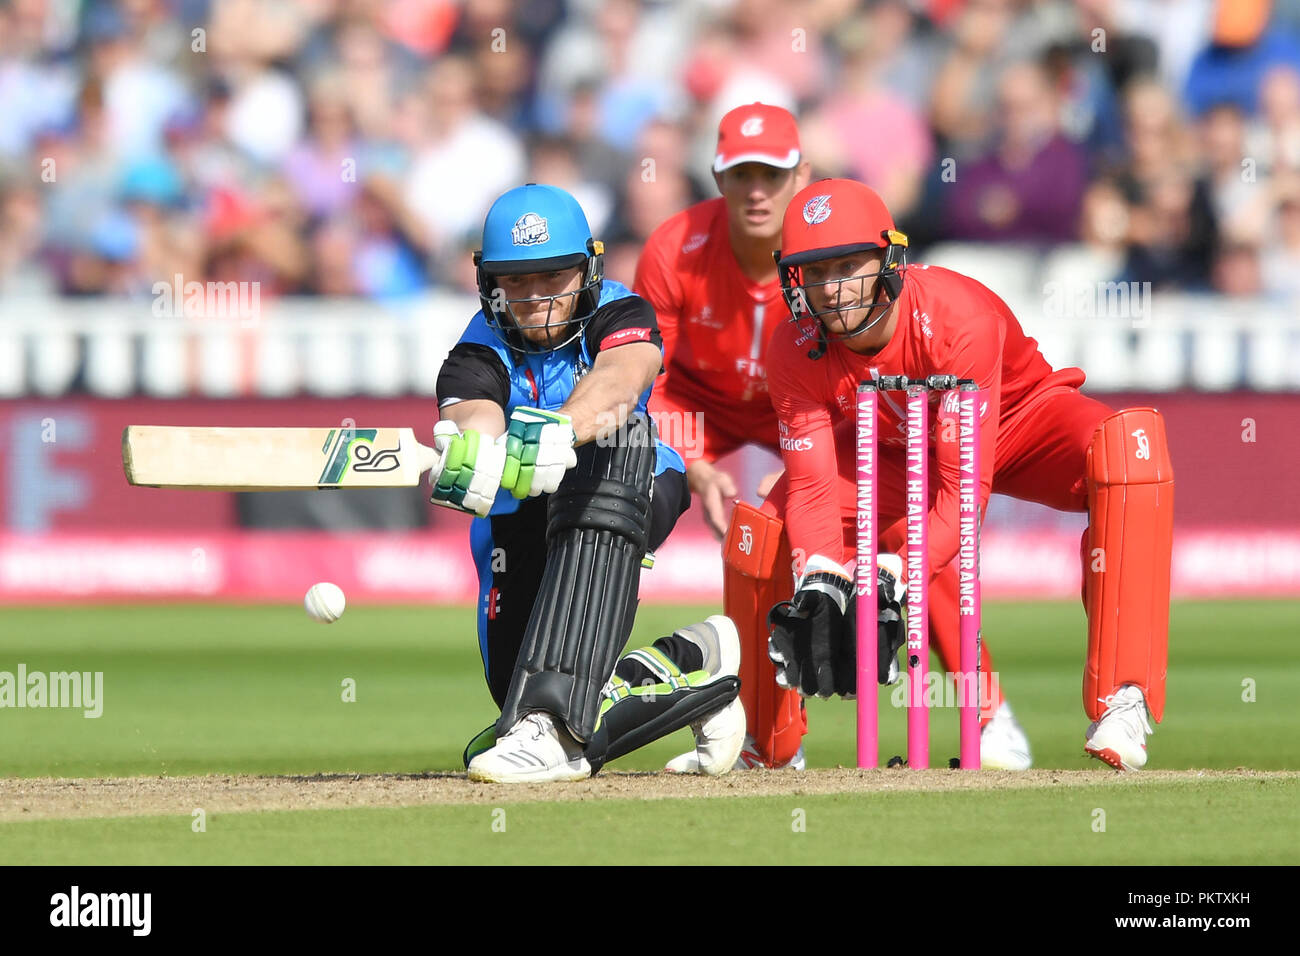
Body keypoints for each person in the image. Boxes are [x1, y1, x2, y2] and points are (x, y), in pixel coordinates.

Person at [759, 178, 1172, 772]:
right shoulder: (794, 346)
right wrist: (819, 573)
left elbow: (963, 491)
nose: (832, 289)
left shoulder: (957, 318)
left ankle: (1123, 698)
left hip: (1018, 422)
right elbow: (813, 486)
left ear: (888, 260)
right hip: (901, 450)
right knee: (767, 526)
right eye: (815, 271)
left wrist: (900, 568)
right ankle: (771, 743)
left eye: (849, 265)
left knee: (1132, 452)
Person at [431, 183, 746, 782]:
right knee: (524, 709)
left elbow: (620, 384)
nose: (535, 298)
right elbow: (472, 408)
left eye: (552, 277)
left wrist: (558, 432)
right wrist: (472, 448)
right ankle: (694, 663)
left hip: (633, 478)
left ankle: (551, 719)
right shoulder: (479, 344)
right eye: (516, 282)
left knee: (552, 709)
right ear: (490, 283)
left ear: (587, 270)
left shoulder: (622, 312)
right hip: (522, 515)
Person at [634, 102, 814, 771]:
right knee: (638, 486)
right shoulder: (674, 246)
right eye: (743, 174)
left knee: (870, 531)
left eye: (773, 173)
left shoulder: (824, 249)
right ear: (718, 176)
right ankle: (580, 692)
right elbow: (644, 374)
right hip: (696, 403)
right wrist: (696, 461)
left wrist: (802, 462)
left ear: (803, 174)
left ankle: (988, 711)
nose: (758, 190)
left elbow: (847, 372)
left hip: (792, 406)